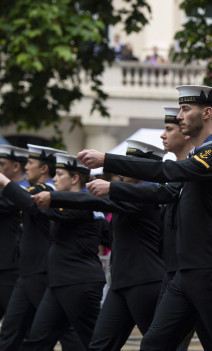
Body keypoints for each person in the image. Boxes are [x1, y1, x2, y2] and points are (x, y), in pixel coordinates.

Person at [78, 85, 212, 351]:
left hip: (211, 273)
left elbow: (170, 172)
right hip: (186, 274)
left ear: (207, 113)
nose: (179, 116)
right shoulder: (203, 158)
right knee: (153, 345)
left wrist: (108, 160)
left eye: (185, 109)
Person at [36, 140, 166, 351]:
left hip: (145, 281)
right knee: (99, 346)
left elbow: (98, 202)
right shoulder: (130, 192)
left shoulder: (149, 191)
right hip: (120, 283)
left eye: (130, 163)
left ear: (146, 168)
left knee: (158, 345)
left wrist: (54, 197)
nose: (124, 168)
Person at [2, 153, 107, 350]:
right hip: (58, 282)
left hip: (79, 282)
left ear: (74, 178)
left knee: (93, 342)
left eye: (59, 174)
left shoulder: (82, 202)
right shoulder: (75, 202)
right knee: (38, 341)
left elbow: (37, 208)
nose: (54, 178)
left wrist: (3, 181)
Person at [0, 146, 29, 320]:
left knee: (17, 322)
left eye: (2, 164)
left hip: (12, 266)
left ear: (16, 166)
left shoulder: (24, 191)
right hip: (5, 264)